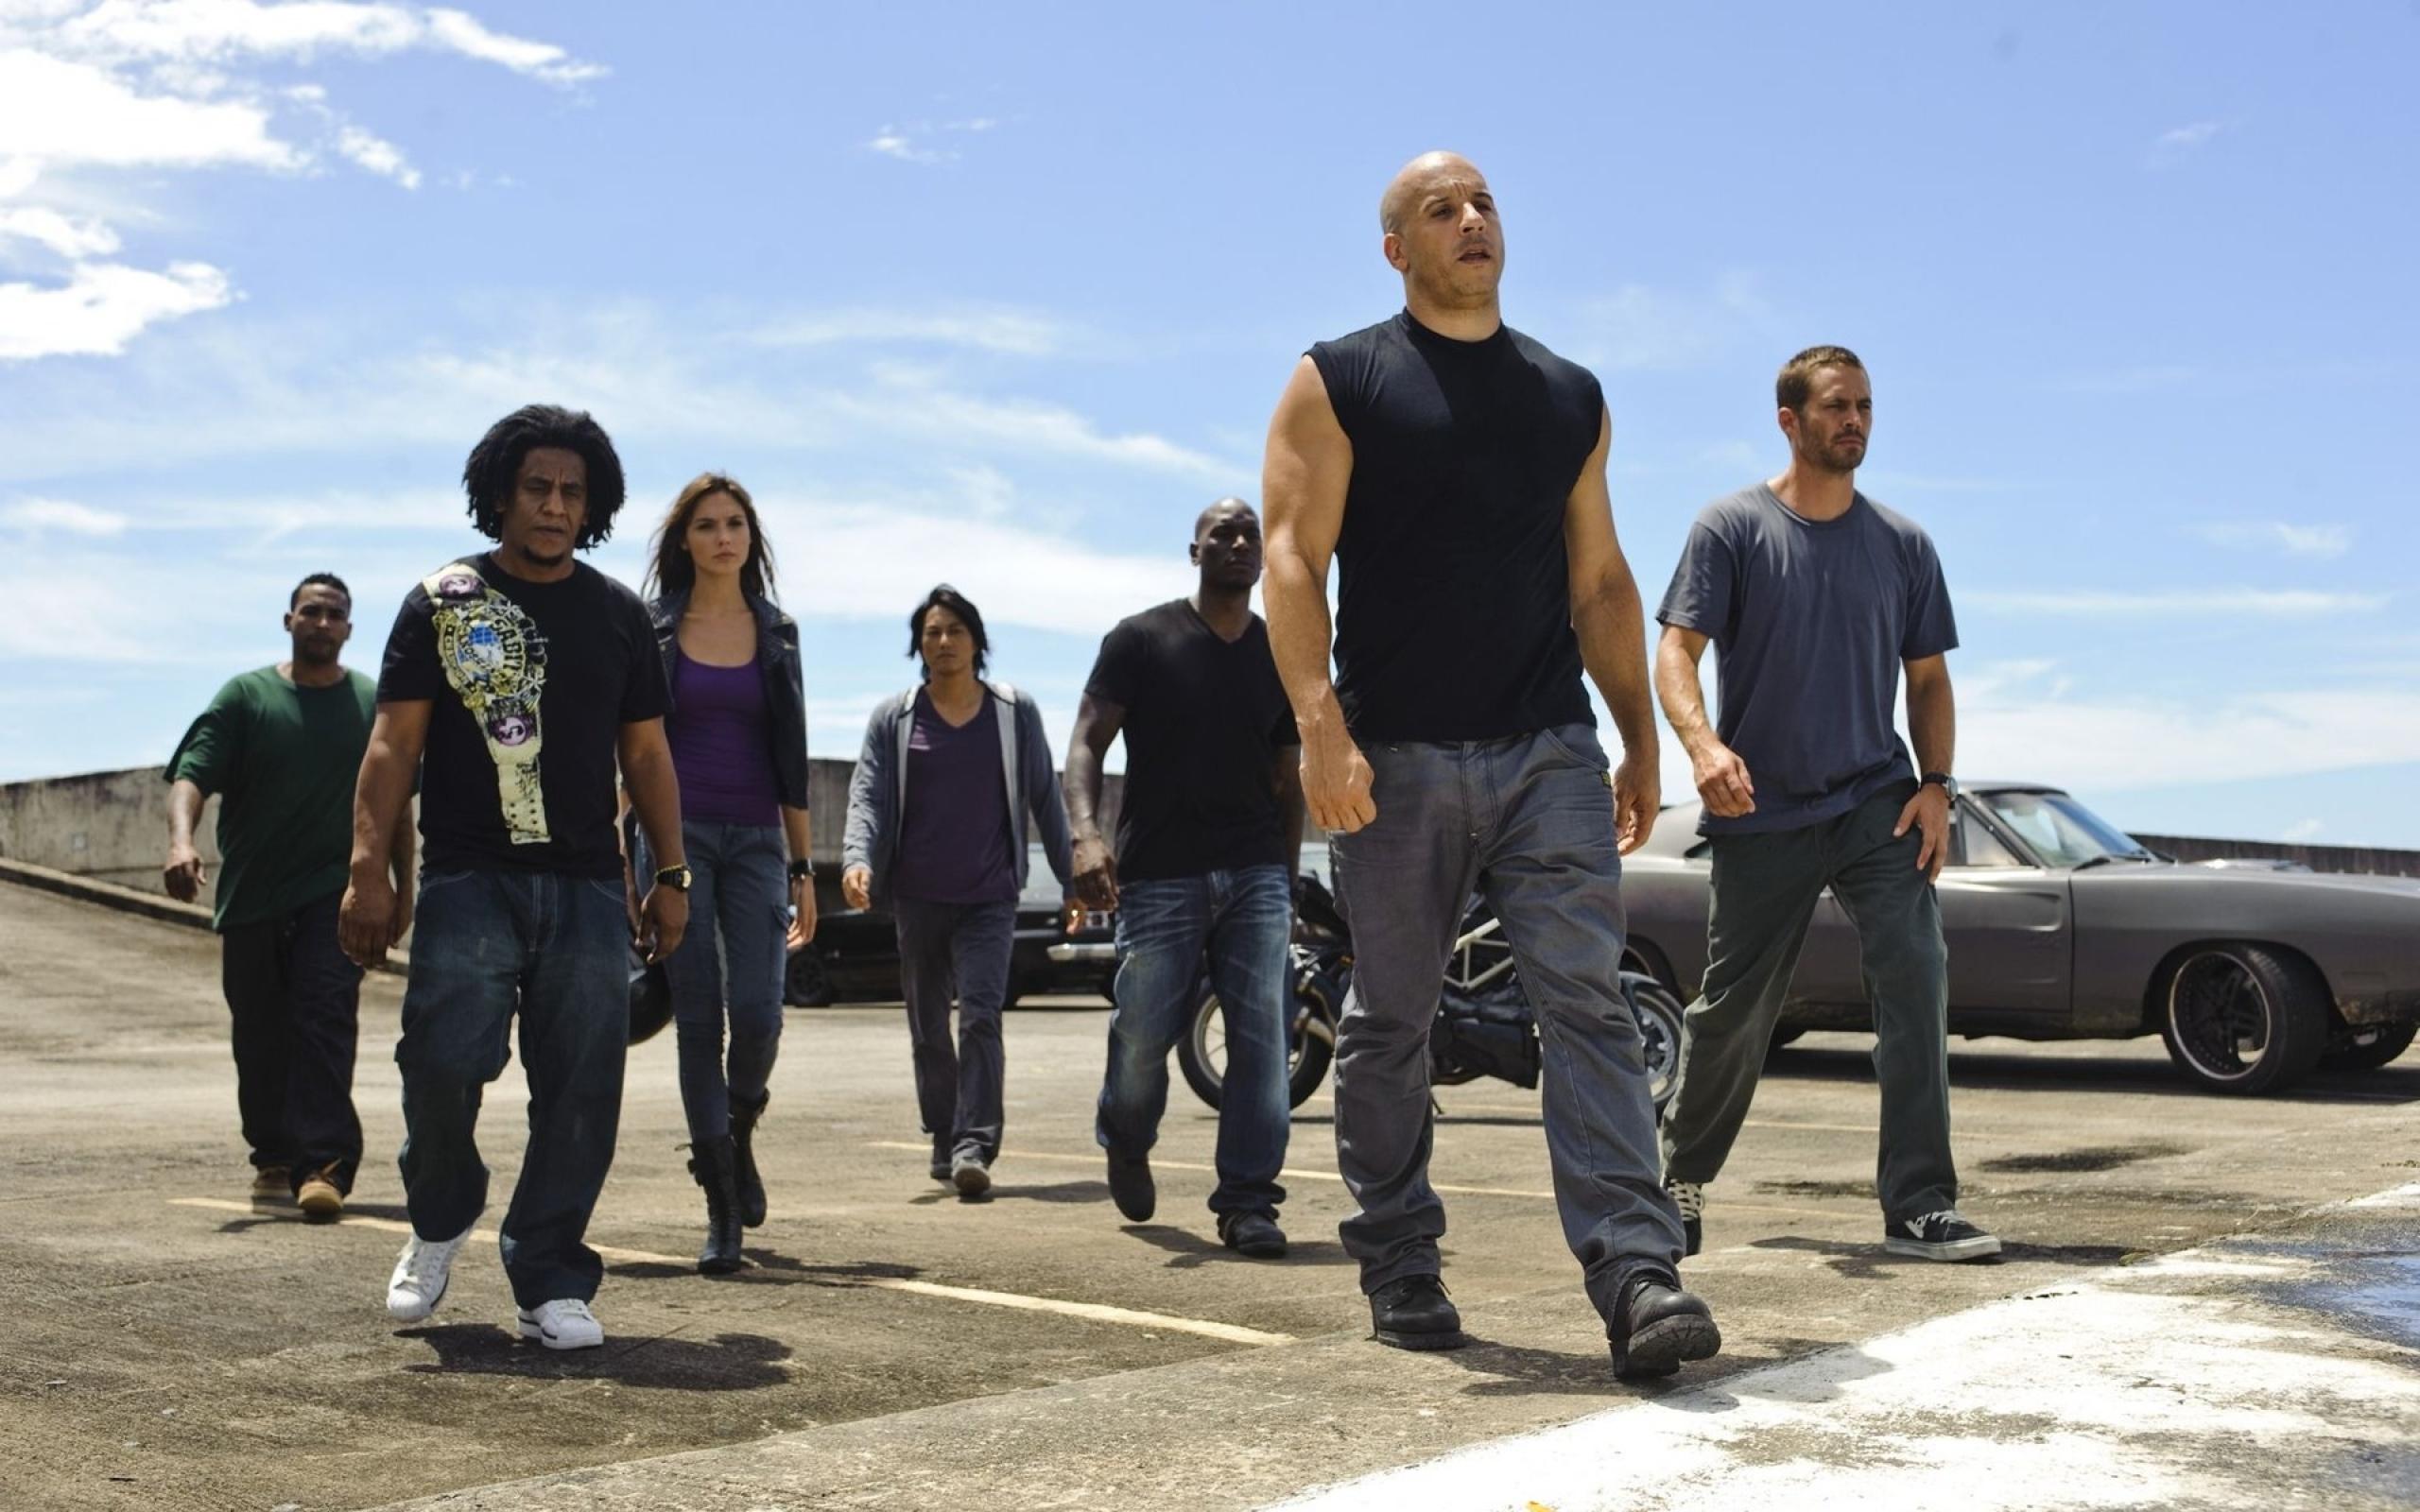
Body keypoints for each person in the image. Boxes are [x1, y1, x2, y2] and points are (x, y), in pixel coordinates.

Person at [1260, 151, 1720, 1379]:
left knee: (1588, 1004)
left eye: (1483, 204)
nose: (1471, 220)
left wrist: (1636, 735)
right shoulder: (1340, 379)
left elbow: (1600, 580)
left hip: (1546, 749)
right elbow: (1293, 557)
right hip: (1392, 758)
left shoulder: (1568, 395)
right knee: (1390, 1022)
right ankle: (1400, 1254)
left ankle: (1637, 1273)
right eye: (1440, 210)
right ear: (1396, 248)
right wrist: (1319, 725)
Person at [342, 404, 690, 1351]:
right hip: (469, 878)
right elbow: (392, 746)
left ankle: (549, 1277)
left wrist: (671, 873)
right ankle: (440, 1215)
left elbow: (648, 756)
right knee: (441, 1067)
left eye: (573, 492)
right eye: (537, 486)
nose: (554, 505)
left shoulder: (618, 615)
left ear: (593, 507)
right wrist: (367, 868)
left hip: (586, 884)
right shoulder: (444, 602)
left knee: (581, 1088)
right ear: (500, 494)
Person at [1653, 346, 1998, 1264]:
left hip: (1874, 800)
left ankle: (1919, 1201)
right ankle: (1677, 1179)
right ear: (1790, 420)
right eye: (1837, 406)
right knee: (1733, 1006)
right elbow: (1676, 651)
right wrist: (1702, 746)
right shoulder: (1731, 527)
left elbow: (1928, 678)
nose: (1854, 421)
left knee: (1916, 970)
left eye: (1865, 407)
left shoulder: (1902, 544)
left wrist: (1937, 785)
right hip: (1760, 807)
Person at [1065, 499, 1305, 1257]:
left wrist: (1285, 879)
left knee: (1262, 1037)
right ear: (1194, 551)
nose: (1238, 543)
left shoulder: (1280, 650)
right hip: (1160, 870)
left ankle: (1248, 1201)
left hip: (1255, 869)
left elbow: (1288, 776)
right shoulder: (1140, 639)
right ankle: (1127, 1134)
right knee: (1143, 1031)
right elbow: (1086, 742)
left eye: (1249, 534)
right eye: (1221, 534)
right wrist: (1086, 834)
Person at [163, 574, 409, 1220]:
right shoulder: (246, 697)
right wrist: (181, 843)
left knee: (324, 1019)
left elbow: (396, 806)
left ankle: (324, 1165)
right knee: (260, 1034)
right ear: (289, 620)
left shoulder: (370, 704)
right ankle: (273, 1157)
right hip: (253, 898)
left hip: (337, 897)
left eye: (335, 614)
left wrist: (402, 889)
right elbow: (191, 777)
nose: (323, 623)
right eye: (311, 612)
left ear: (349, 628)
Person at [840, 585, 1078, 1199]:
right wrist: (857, 859)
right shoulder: (894, 719)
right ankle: (944, 1132)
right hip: (917, 896)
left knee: (980, 1016)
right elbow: (866, 795)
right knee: (927, 1027)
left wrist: (1072, 880)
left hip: (988, 897)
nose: (943, 642)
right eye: (932, 633)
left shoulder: (1013, 712)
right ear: (919, 645)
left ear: (977, 641)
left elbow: (1045, 799)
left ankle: (975, 1142)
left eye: (955, 631)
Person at [639, 472, 818, 1274]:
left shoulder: (778, 631)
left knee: (759, 1014)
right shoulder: (655, 627)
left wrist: (803, 866)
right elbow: (632, 743)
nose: (722, 537)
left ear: (751, 538)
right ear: (685, 540)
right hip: (674, 841)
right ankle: (719, 1204)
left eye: (735, 524)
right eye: (707, 525)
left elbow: (791, 754)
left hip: (756, 840)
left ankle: (737, 1130)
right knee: (698, 1019)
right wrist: (626, 858)